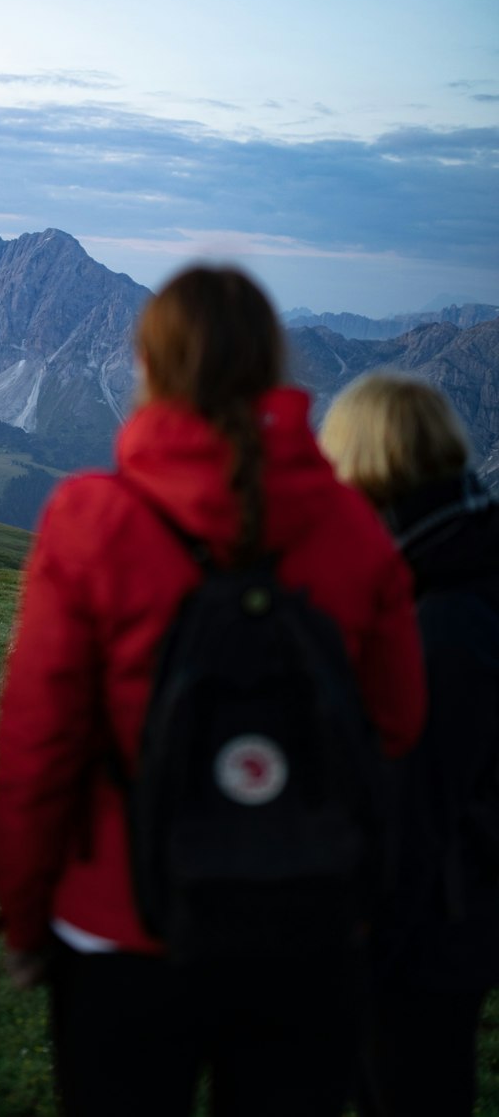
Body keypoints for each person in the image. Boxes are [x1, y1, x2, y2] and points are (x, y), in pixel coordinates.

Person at [0, 266, 425, 1117]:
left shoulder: (90, 519)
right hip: (310, 921)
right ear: (274, 364)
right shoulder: (354, 526)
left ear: (148, 364)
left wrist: (24, 912)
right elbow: (398, 724)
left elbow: (39, 746)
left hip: (120, 924)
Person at [320, 372, 499, 1117]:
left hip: (432, 927)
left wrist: (362, 949)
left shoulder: (442, 616)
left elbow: (415, 810)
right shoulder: (465, 555)